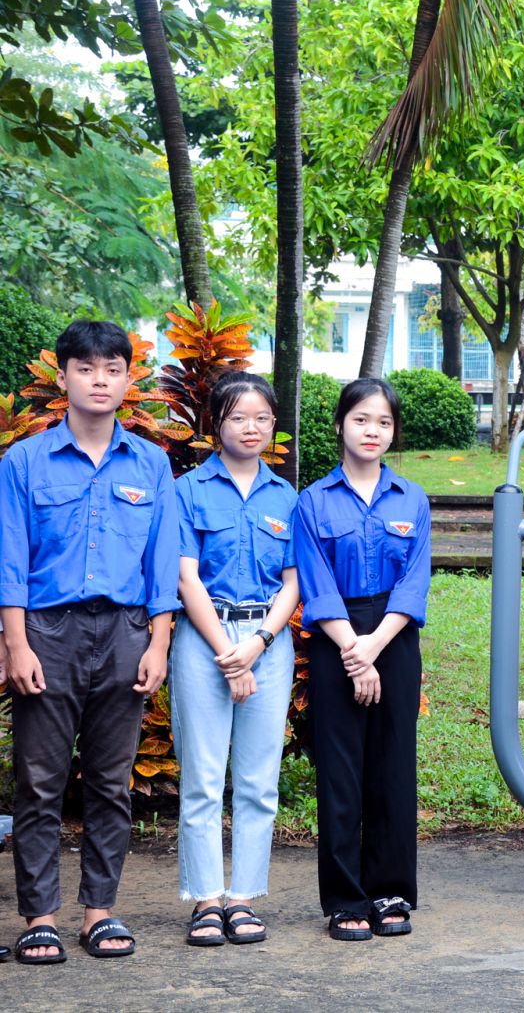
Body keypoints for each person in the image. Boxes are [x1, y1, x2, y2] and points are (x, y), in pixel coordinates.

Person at [0, 320, 180, 963]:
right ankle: (40, 916)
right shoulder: (23, 461)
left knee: (110, 782)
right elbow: (10, 558)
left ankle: (99, 911)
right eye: (86, 368)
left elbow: (164, 563)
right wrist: (16, 644)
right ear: (64, 377)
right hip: (47, 632)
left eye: (112, 369)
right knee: (41, 782)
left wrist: (159, 643)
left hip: (128, 633)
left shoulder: (152, 462)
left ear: (128, 380)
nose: (99, 380)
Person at [293, 378, 431, 942]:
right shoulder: (312, 501)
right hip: (335, 637)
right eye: (361, 420)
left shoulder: (412, 499)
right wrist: (353, 648)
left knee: (393, 766)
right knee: (341, 770)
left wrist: (373, 648)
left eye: (383, 423)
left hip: (394, 640)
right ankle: (347, 897)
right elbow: (316, 581)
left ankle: (390, 888)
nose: (372, 431)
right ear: (339, 426)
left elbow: (414, 582)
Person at [170, 372, 300, 947]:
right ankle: (205, 897)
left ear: (274, 426)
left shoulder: (287, 498)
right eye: (238, 417)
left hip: (266, 642)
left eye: (262, 418)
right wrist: (228, 652)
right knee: (201, 777)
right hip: (205, 641)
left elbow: (295, 583)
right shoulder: (189, 490)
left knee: (257, 780)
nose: (252, 427)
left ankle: (243, 897)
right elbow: (185, 576)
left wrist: (259, 645)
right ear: (216, 425)